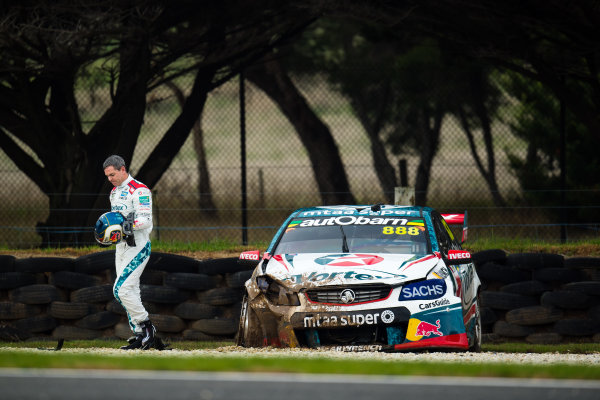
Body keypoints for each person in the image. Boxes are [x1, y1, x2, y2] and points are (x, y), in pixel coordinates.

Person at [102, 155, 156, 350]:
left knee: (120, 289)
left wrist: (123, 226)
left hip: (138, 247)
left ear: (123, 169)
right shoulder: (114, 192)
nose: (110, 179)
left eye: (113, 174)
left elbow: (145, 221)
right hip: (121, 248)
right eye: (107, 176)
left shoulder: (140, 190)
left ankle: (148, 327)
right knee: (130, 291)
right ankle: (140, 335)